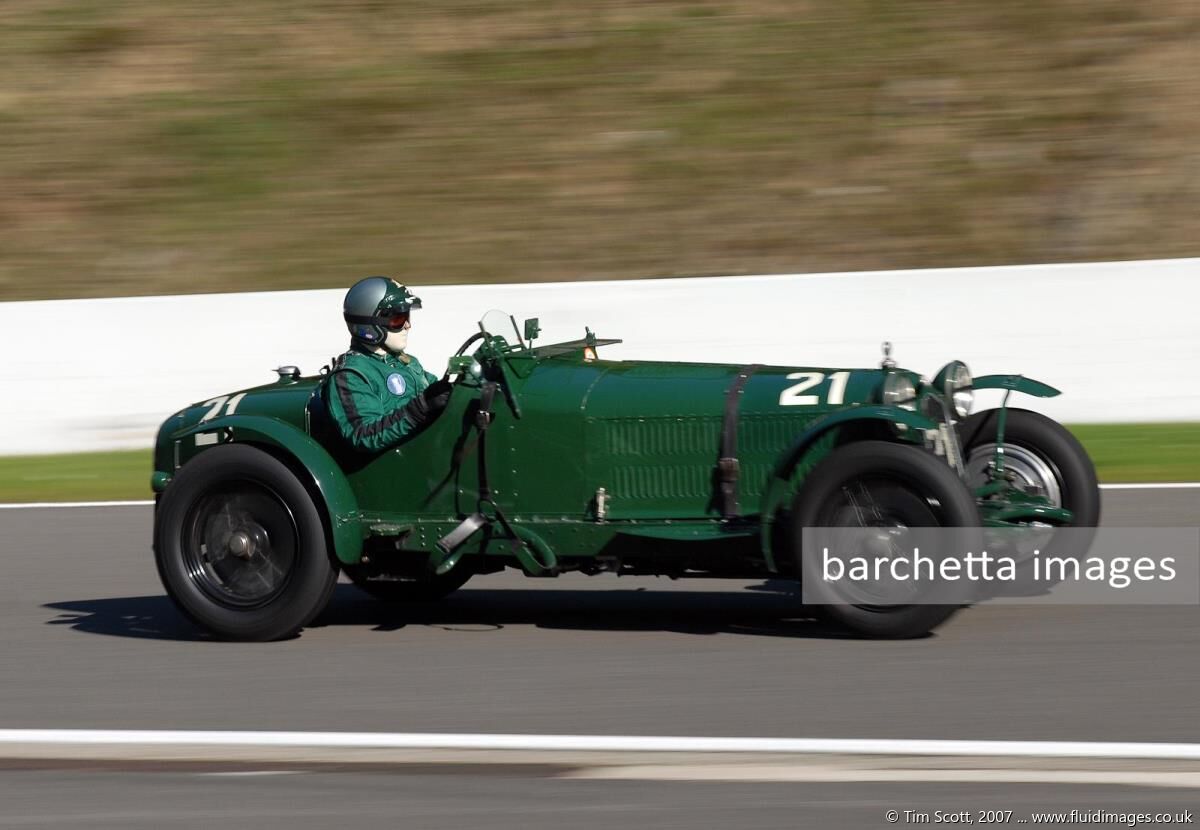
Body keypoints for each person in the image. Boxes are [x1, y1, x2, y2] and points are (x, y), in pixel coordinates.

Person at [325, 276, 452, 452]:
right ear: (370, 324)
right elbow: (363, 435)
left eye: (407, 316)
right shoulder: (351, 375)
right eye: (398, 319)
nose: (407, 326)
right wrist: (419, 408)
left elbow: (438, 393)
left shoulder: (407, 362)